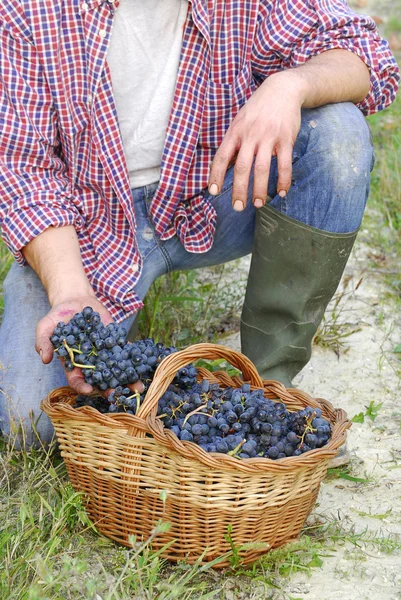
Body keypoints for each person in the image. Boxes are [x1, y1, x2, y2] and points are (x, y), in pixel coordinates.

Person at [0, 0, 398, 448]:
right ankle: (113, 329)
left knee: (336, 135)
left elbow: (367, 55)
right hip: (89, 224)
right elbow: (24, 172)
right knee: (29, 425)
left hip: (214, 196)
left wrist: (291, 85)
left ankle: (268, 392)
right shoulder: (31, 9)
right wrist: (70, 292)